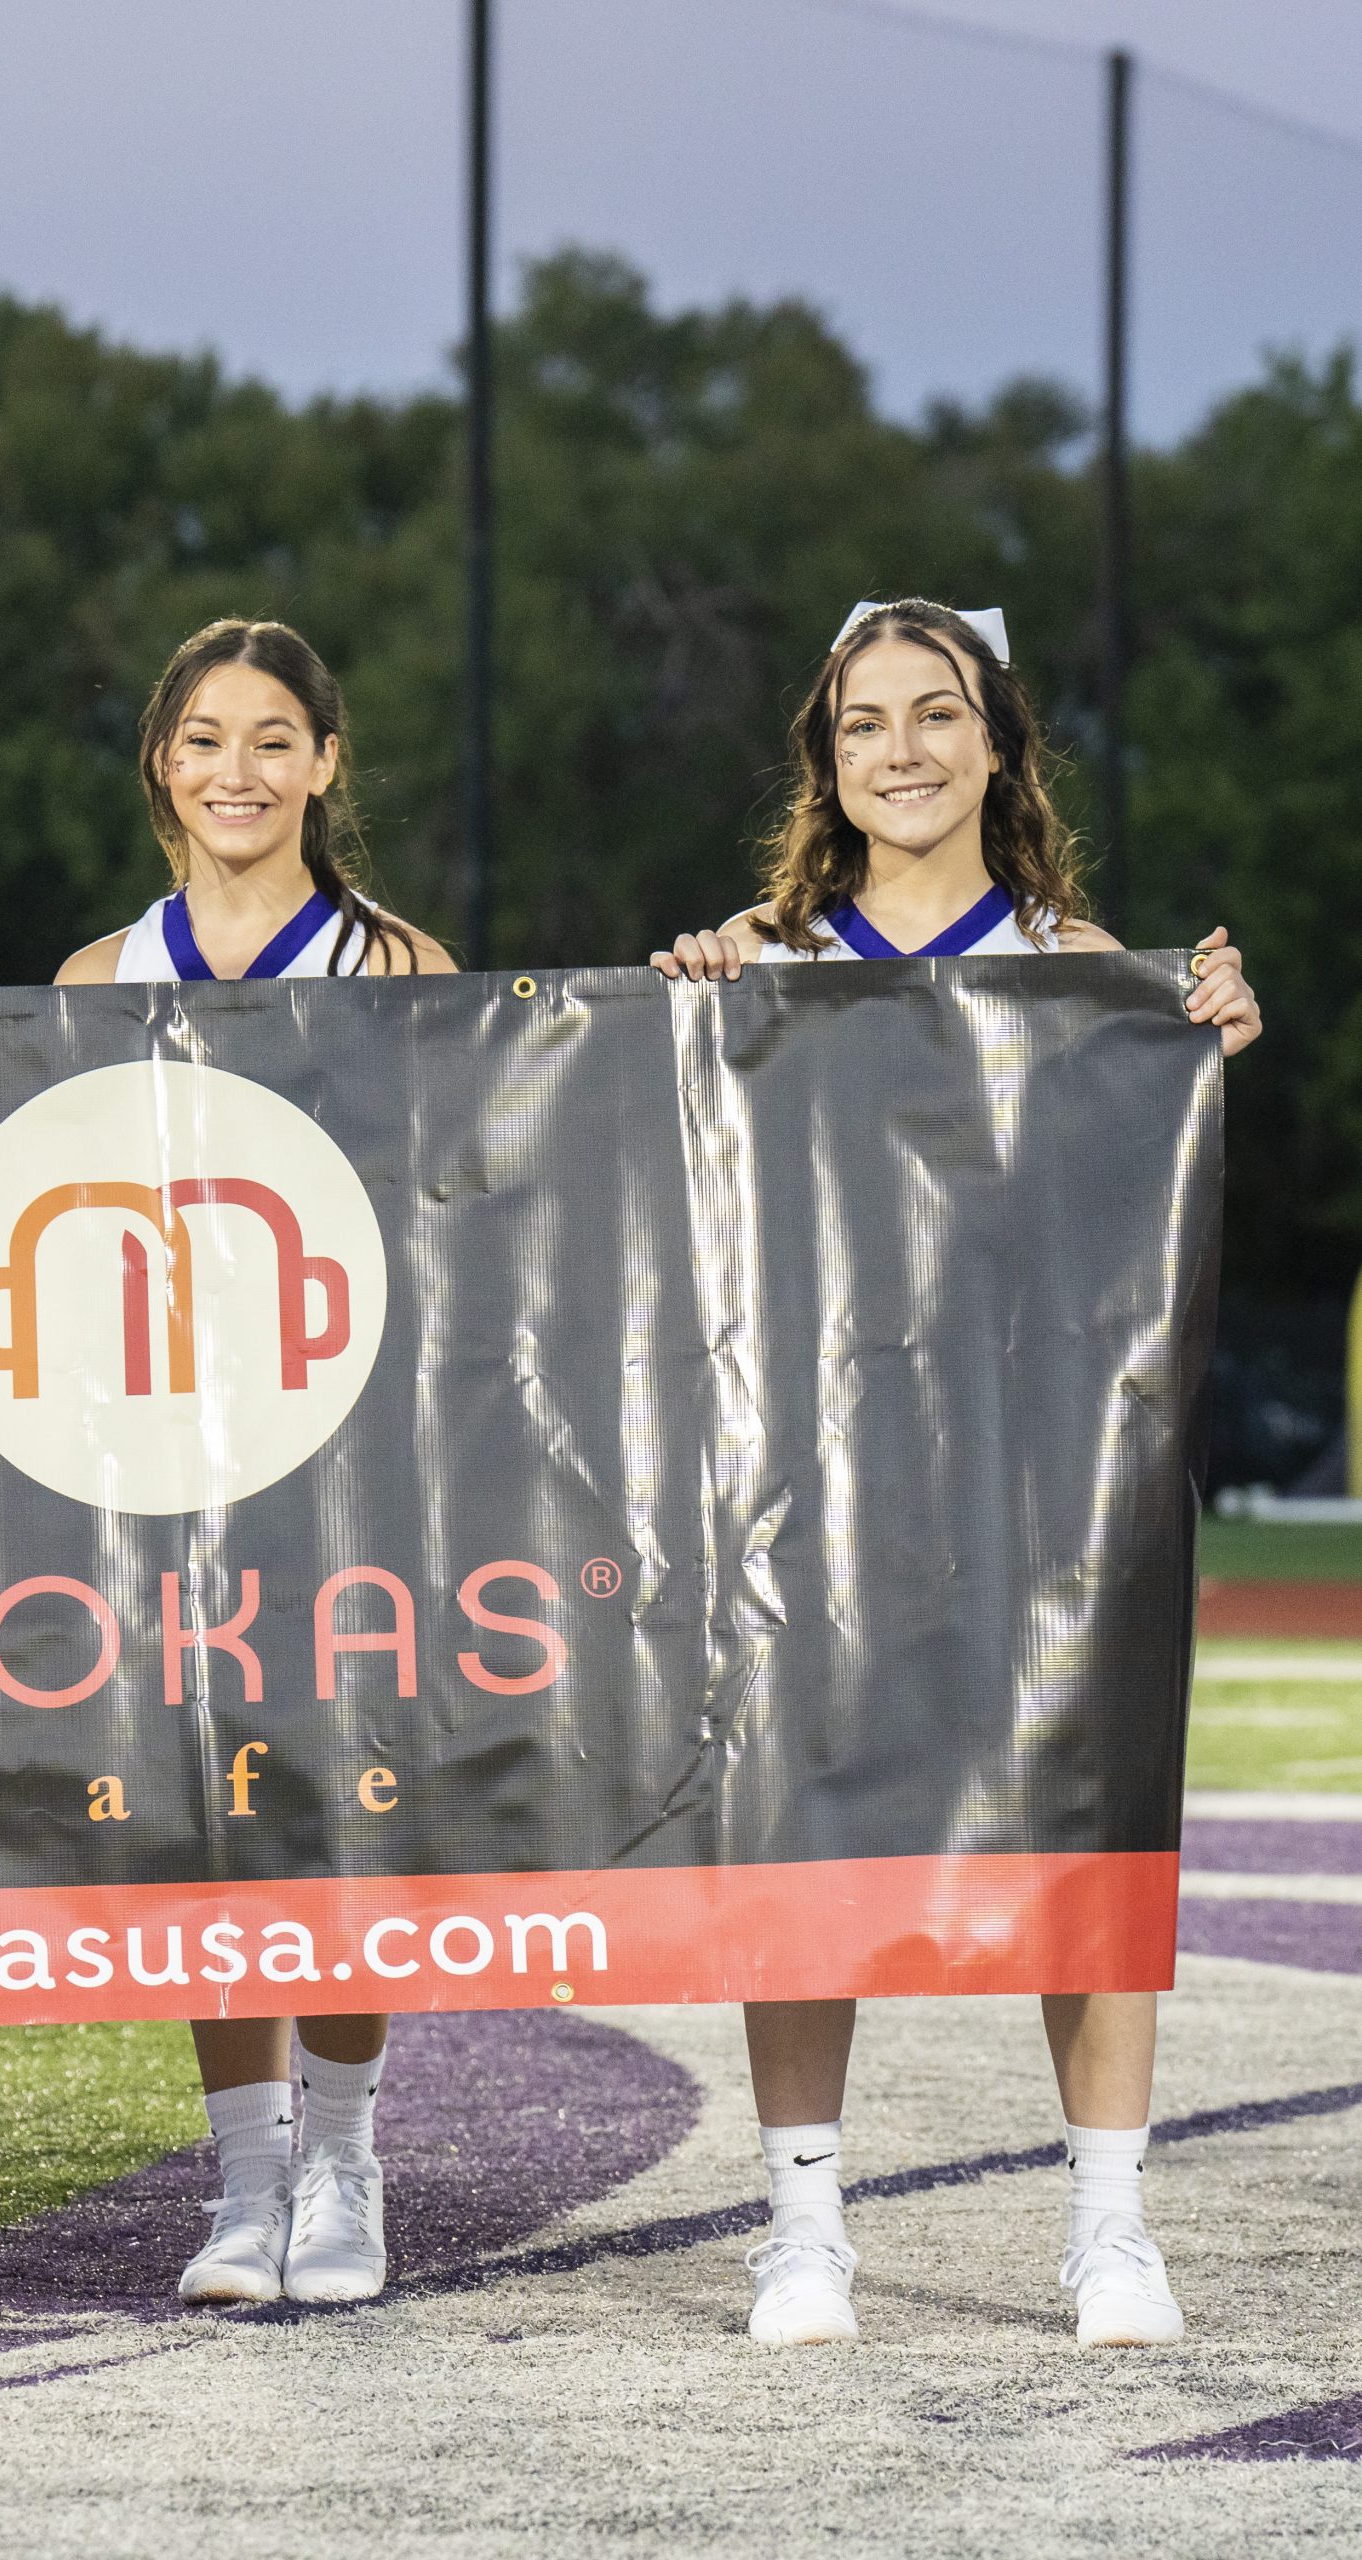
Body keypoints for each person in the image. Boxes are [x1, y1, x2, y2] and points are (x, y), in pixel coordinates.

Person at [652, 595, 1261, 2352]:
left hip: (1045, 1485)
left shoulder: (1086, 967)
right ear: (824, 764)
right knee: (804, 1837)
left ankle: (1109, 2224)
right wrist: (675, 1021)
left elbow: (1131, 1208)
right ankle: (802, 2227)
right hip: (813, 1482)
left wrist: (1198, 1037)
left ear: (997, 744)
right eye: (862, 725)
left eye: (935, 716)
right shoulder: (757, 974)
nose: (900, 751)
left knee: (1086, 1820)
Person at [59, 617, 453, 2308]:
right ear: (164, 761)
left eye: (274, 737)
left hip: (347, 1443)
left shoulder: (402, 968)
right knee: (203, 1807)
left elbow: (448, 1212)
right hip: (162, 1450)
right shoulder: (91, 977)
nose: (240, 770)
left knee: (338, 1797)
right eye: (206, 738)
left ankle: (347, 2162)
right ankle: (244, 2180)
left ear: (325, 762)